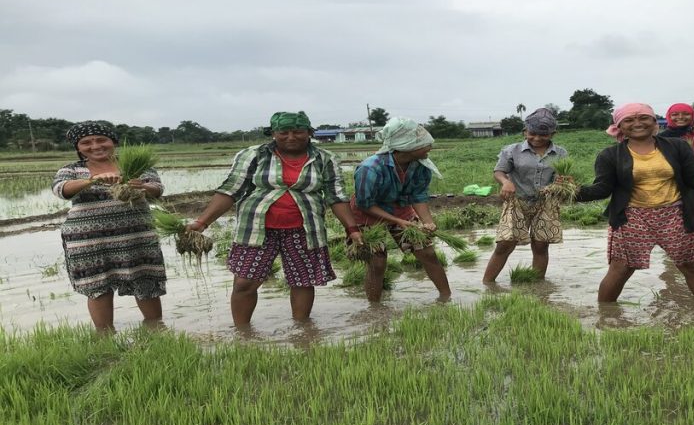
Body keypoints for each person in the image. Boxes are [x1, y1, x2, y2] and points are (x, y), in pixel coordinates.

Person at [187, 112, 362, 327]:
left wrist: (352, 228)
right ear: (273, 134)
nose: (291, 137)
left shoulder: (325, 159)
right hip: (256, 229)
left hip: (305, 229)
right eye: (283, 132)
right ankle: (242, 333)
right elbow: (230, 190)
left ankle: (301, 330)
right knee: (244, 282)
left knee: (303, 282)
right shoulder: (253, 155)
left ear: (309, 133)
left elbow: (337, 197)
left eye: (298, 132)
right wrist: (201, 223)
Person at [575, 103, 694, 303]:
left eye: (643, 118)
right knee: (621, 268)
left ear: (654, 121)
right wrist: (571, 192)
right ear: (619, 126)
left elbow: (693, 177)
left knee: (691, 265)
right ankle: (605, 317)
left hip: (675, 214)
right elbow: (602, 189)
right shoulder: (610, 155)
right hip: (633, 216)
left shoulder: (677, 146)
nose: (637, 123)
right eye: (629, 120)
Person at [52, 122, 167, 332]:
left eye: (101, 140)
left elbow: (157, 189)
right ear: (78, 147)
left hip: (138, 237)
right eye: (86, 142)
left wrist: (142, 185)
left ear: (113, 141)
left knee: (146, 281)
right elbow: (61, 190)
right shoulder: (71, 169)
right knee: (98, 287)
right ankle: (105, 337)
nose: (95, 146)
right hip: (89, 240)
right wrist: (91, 180)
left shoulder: (136, 164)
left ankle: (156, 330)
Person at [351, 117, 451, 302]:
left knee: (427, 252)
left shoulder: (420, 166)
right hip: (368, 214)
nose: (429, 148)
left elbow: (418, 196)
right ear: (406, 146)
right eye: (424, 144)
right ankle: (375, 308)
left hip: (400, 210)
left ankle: (446, 297)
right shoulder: (370, 168)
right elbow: (365, 203)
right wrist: (397, 222)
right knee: (377, 262)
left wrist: (427, 221)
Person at [483, 108, 568, 283]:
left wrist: (562, 183)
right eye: (532, 133)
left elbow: (561, 176)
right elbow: (499, 171)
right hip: (518, 202)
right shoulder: (512, 150)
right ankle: (488, 284)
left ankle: (537, 285)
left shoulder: (560, 153)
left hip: (546, 204)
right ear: (525, 132)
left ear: (553, 134)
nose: (537, 138)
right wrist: (505, 182)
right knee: (505, 244)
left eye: (543, 135)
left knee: (541, 245)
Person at [659, 102, 694, 232]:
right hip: (668, 184)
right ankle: (673, 252)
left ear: (693, 116)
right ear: (668, 116)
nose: (680, 117)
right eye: (675, 114)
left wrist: (692, 167)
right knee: (669, 221)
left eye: (686, 114)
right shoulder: (660, 138)